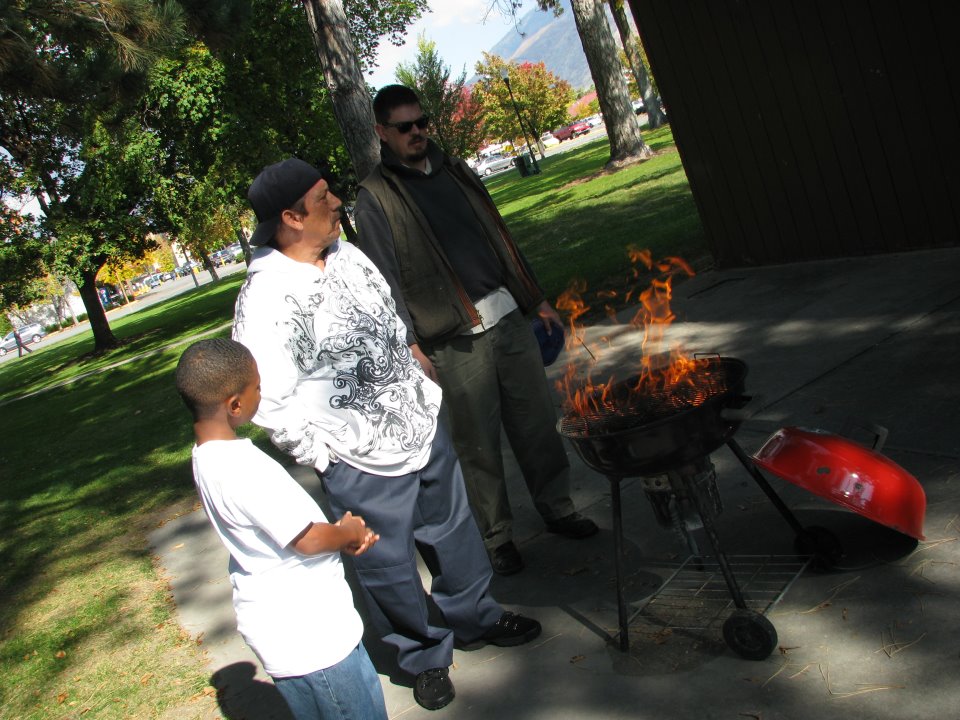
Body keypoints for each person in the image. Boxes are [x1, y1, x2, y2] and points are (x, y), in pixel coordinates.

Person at [231, 158, 542, 711]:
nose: (335, 204)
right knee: (387, 564)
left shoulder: (346, 253)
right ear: (290, 217)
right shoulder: (265, 301)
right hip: (359, 460)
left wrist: (419, 387)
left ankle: (476, 617)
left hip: (422, 428)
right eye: (323, 197)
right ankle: (424, 654)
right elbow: (269, 403)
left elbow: (388, 316)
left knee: (455, 531)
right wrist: (327, 459)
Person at [353, 84, 598, 577]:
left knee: (535, 423)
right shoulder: (374, 197)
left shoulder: (457, 170)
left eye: (422, 122)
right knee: (477, 444)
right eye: (405, 127)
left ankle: (558, 507)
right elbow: (383, 281)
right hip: (451, 337)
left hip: (507, 316)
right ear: (382, 132)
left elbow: (501, 238)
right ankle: (497, 535)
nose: (418, 132)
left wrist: (537, 299)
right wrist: (411, 345)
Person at [174, 337, 387, 720]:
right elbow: (308, 539)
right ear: (235, 404)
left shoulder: (206, 456)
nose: (262, 391)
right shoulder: (243, 470)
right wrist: (349, 532)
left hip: (290, 629)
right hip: (310, 635)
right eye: (257, 386)